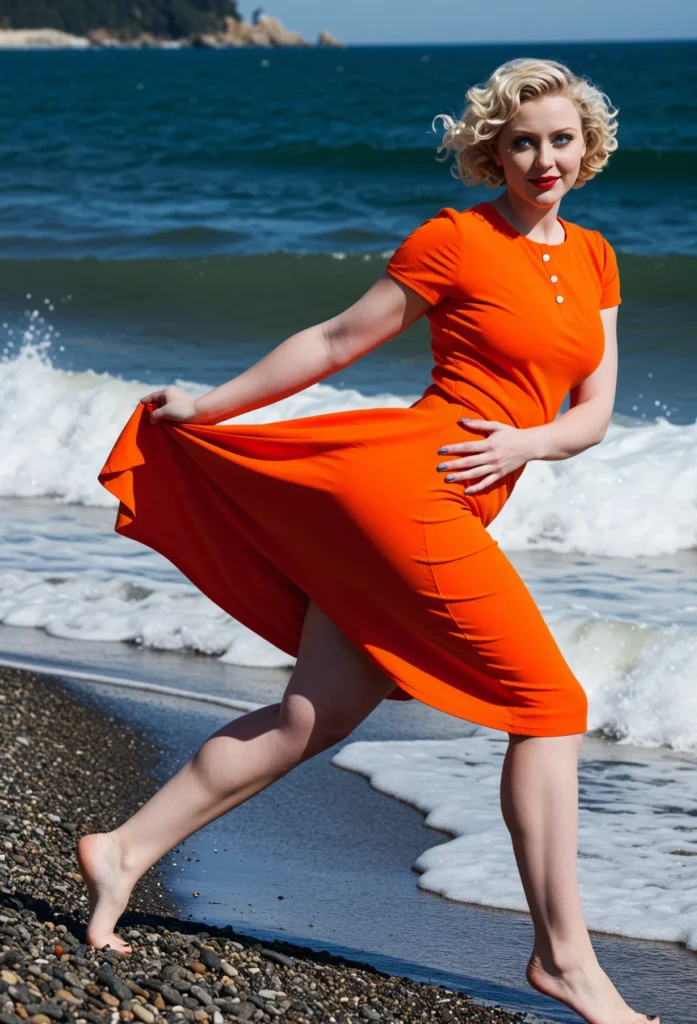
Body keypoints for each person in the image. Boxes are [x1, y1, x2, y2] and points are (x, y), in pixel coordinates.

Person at [78, 57, 659, 1024]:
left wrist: (527, 441)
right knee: (551, 705)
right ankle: (565, 961)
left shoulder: (595, 258)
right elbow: (340, 337)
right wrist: (211, 404)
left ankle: (124, 849)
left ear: (587, 146)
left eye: (560, 139)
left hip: (455, 496)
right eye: (521, 142)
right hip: (407, 488)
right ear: (492, 153)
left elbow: (592, 413)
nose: (543, 158)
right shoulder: (455, 240)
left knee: (320, 710)